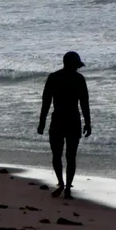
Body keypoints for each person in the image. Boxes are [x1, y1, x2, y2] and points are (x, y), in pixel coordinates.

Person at [37, 51, 91, 198]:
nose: (78, 68)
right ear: (71, 64)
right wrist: (87, 122)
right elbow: (84, 103)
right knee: (69, 156)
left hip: (59, 120)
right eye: (76, 65)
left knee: (58, 155)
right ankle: (65, 187)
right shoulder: (79, 79)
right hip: (72, 120)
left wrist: (42, 122)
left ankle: (63, 185)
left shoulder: (54, 78)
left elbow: (46, 102)